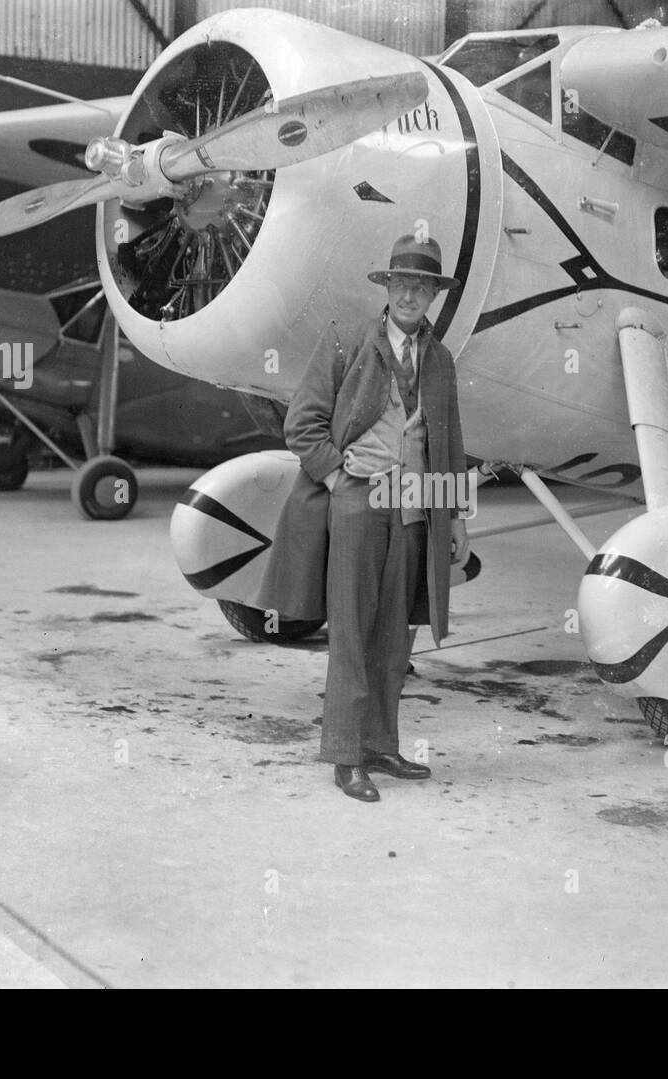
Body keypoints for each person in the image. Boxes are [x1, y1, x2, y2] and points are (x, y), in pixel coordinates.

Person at [258, 233, 469, 802]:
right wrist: (336, 479)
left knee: (394, 637)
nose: (410, 295)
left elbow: (449, 445)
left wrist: (455, 520)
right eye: (402, 283)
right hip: (356, 502)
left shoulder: (441, 360)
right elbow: (301, 424)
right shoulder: (348, 341)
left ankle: (380, 745)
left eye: (421, 287)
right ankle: (346, 757)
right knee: (350, 632)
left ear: (433, 296)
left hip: (413, 509)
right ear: (387, 288)